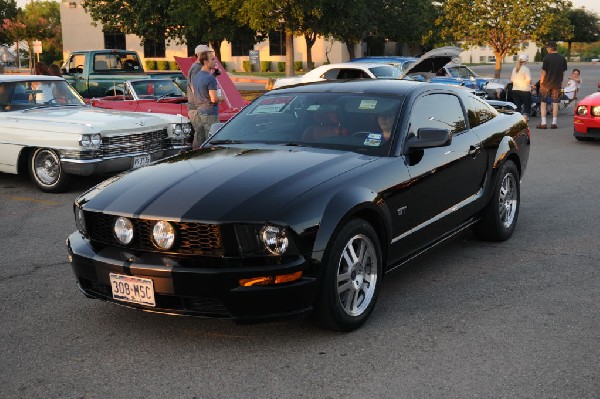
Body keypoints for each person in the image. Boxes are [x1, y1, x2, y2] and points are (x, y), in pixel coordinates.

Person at [191, 49, 223, 149]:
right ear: (205, 62)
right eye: (212, 59)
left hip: (200, 111)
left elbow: (197, 89)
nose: (214, 61)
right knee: (212, 140)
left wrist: (214, 75)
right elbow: (213, 99)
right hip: (210, 113)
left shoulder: (196, 77)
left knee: (201, 140)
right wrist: (222, 98)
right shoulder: (210, 79)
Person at [537, 41, 567, 129]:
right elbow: (563, 72)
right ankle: (554, 123)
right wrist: (560, 81)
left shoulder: (547, 58)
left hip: (546, 84)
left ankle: (543, 123)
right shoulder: (562, 58)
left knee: (543, 103)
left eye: (547, 48)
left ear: (550, 48)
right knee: (555, 103)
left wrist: (541, 82)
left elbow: (544, 71)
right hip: (557, 84)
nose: (547, 50)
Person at [187, 44, 211, 146]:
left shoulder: (200, 68)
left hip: (200, 107)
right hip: (197, 108)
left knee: (204, 134)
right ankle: (196, 156)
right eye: (207, 54)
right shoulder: (196, 68)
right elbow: (195, 88)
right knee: (200, 134)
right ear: (200, 55)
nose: (209, 56)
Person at [511, 54, 532, 120]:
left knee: (517, 105)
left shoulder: (514, 69)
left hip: (515, 90)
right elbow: (529, 80)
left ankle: (517, 118)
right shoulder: (526, 69)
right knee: (526, 105)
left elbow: (511, 80)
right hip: (524, 89)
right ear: (525, 61)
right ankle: (525, 117)